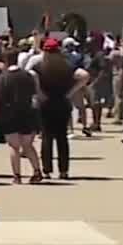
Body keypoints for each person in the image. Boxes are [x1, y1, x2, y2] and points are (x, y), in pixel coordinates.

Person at [36, 38, 89, 179]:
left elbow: (31, 75)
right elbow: (84, 75)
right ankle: (63, 171)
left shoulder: (40, 66)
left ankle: (46, 170)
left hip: (46, 104)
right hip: (62, 103)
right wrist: (70, 92)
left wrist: (39, 93)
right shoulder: (67, 65)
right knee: (62, 138)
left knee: (46, 137)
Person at [0, 55, 44, 184]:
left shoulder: (3, 77)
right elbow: (35, 94)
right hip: (27, 113)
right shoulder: (28, 75)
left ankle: (17, 176)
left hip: (9, 115)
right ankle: (37, 171)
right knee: (28, 145)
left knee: (14, 146)